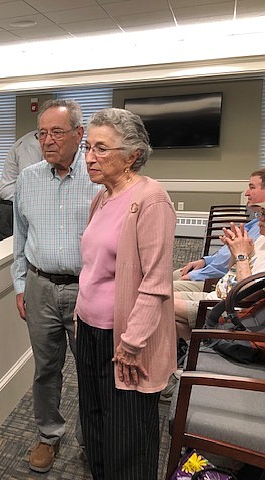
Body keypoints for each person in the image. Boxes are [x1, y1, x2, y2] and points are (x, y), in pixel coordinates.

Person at [74, 108, 176, 480]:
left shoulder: (152, 199)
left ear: (132, 154)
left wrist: (132, 343)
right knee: (96, 422)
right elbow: (94, 268)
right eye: (88, 147)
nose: (89, 157)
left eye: (101, 149)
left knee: (128, 435)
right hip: (89, 329)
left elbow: (155, 283)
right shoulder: (102, 197)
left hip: (125, 339)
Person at [11, 99, 101, 473]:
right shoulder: (27, 179)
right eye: (42, 133)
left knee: (92, 369)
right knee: (46, 369)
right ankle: (48, 435)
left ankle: (91, 438)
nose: (48, 140)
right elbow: (21, 236)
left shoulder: (98, 178)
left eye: (57, 132)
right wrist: (19, 284)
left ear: (79, 135)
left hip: (88, 290)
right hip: (40, 286)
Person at [174, 209, 265, 340]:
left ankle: (196, 347)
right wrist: (233, 251)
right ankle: (187, 351)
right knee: (161, 299)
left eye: (264, 215)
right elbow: (231, 271)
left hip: (228, 311)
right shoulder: (261, 239)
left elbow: (247, 296)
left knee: (158, 304)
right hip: (214, 297)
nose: (259, 219)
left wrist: (241, 255)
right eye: (261, 213)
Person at [173, 169, 265, 292]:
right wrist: (205, 261)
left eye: (252, 188)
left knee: (161, 291)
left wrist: (196, 275)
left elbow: (231, 265)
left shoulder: (262, 231)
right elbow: (227, 252)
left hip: (219, 282)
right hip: (211, 272)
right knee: (171, 276)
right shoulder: (254, 224)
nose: (246, 193)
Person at [0, 130, 42, 239]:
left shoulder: (36, 141)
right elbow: (31, 184)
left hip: (17, 205)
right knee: (10, 252)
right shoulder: (31, 145)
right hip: (10, 208)